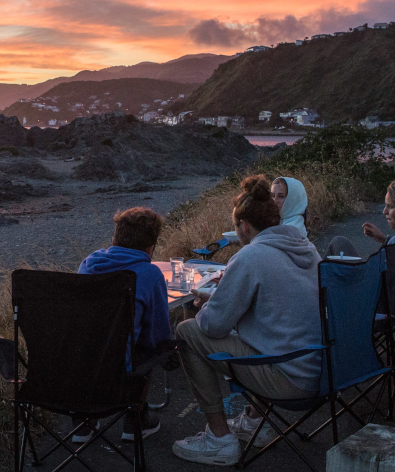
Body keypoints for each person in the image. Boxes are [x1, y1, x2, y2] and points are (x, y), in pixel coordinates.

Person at [171, 175, 323, 466]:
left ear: (243, 225)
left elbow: (213, 326)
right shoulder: (306, 247)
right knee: (263, 335)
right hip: (320, 367)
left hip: (289, 378)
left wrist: (209, 303)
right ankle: (254, 424)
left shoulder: (251, 256)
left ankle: (219, 440)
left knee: (186, 332)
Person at [75, 206, 171, 442]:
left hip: (73, 365)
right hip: (120, 371)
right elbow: (158, 335)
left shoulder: (88, 264)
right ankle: (134, 418)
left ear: (113, 239)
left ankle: (84, 421)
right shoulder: (149, 274)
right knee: (149, 348)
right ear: (151, 248)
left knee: (94, 343)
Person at [326, 178, 395, 260]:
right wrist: (384, 239)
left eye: (390, 206)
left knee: (338, 242)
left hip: (375, 291)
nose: (384, 211)